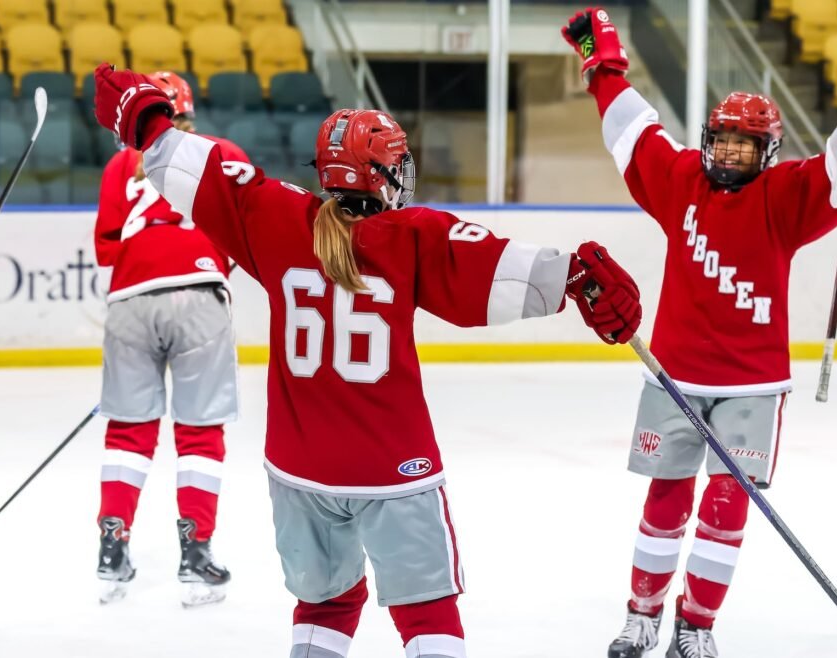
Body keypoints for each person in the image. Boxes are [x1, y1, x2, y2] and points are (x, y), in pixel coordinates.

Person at [91, 62, 643, 657]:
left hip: (298, 471)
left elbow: (187, 166)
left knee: (325, 605)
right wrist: (578, 278)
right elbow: (508, 276)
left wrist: (147, 119)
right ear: (382, 173)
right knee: (426, 611)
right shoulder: (413, 236)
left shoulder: (275, 218)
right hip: (392, 468)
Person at [560, 8, 837, 657]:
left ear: (766, 152)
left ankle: (697, 626)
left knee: (724, 506)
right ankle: (643, 615)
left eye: (745, 144)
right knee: (665, 500)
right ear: (709, 138)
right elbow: (633, 133)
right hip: (675, 375)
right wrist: (602, 64)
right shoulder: (680, 178)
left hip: (753, 386)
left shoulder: (785, 197)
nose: (729, 152)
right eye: (722, 140)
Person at [93, 71, 249, 607]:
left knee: (128, 432)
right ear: (186, 111)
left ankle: (112, 549)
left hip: (129, 299)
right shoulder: (219, 148)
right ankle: (196, 554)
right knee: (200, 432)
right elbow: (251, 219)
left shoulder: (119, 164)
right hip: (199, 293)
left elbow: (106, 250)